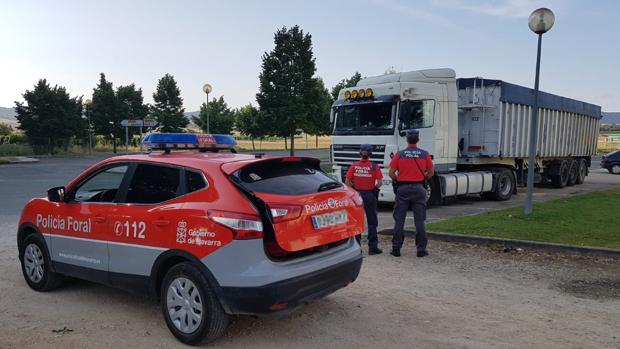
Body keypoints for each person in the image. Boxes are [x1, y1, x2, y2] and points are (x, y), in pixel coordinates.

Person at [388, 129, 434, 257]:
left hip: (403, 189)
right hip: (419, 188)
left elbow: (391, 173)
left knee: (399, 220)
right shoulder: (425, 154)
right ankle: (421, 250)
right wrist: (422, 178)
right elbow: (431, 172)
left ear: (407, 139)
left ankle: (396, 248)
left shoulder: (399, 154)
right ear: (417, 140)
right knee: (419, 221)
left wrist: (399, 180)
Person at [345, 144, 383, 255]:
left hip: (357, 195)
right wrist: (372, 188)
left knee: (357, 222)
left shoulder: (354, 165)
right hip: (370, 195)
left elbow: (347, 182)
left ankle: (357, 248)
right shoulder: (374, 166)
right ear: (371, 154)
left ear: (360, 153)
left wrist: (355, 189)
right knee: (372, 222)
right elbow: (379, 183)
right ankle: (373, 248)